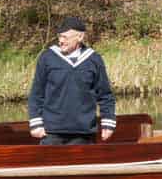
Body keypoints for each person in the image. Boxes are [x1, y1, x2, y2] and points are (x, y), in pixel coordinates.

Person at [28, 17, 117, 145]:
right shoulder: (47, 57)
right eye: (60, 36)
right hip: (52, 133)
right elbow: (36, 94)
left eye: (65, 37)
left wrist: (108, 123)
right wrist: (35, 123)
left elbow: (105, 95)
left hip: (83, 133)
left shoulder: (94, 59)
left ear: (80, 37)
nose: (61, 41)